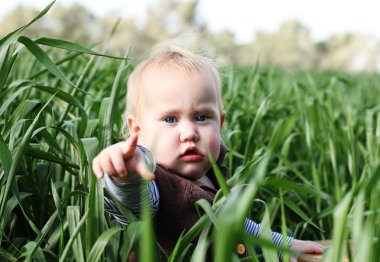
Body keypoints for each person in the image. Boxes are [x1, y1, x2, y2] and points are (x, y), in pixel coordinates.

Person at [92, 41, 324, 261]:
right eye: (170, 119)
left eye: (201, 117)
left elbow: (237, 227)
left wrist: (280, 245)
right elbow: (136, 203)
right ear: (138, 130)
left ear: (220, 124)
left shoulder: (213, 175)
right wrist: (127, 175)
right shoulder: (155, 182)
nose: (189, 132)